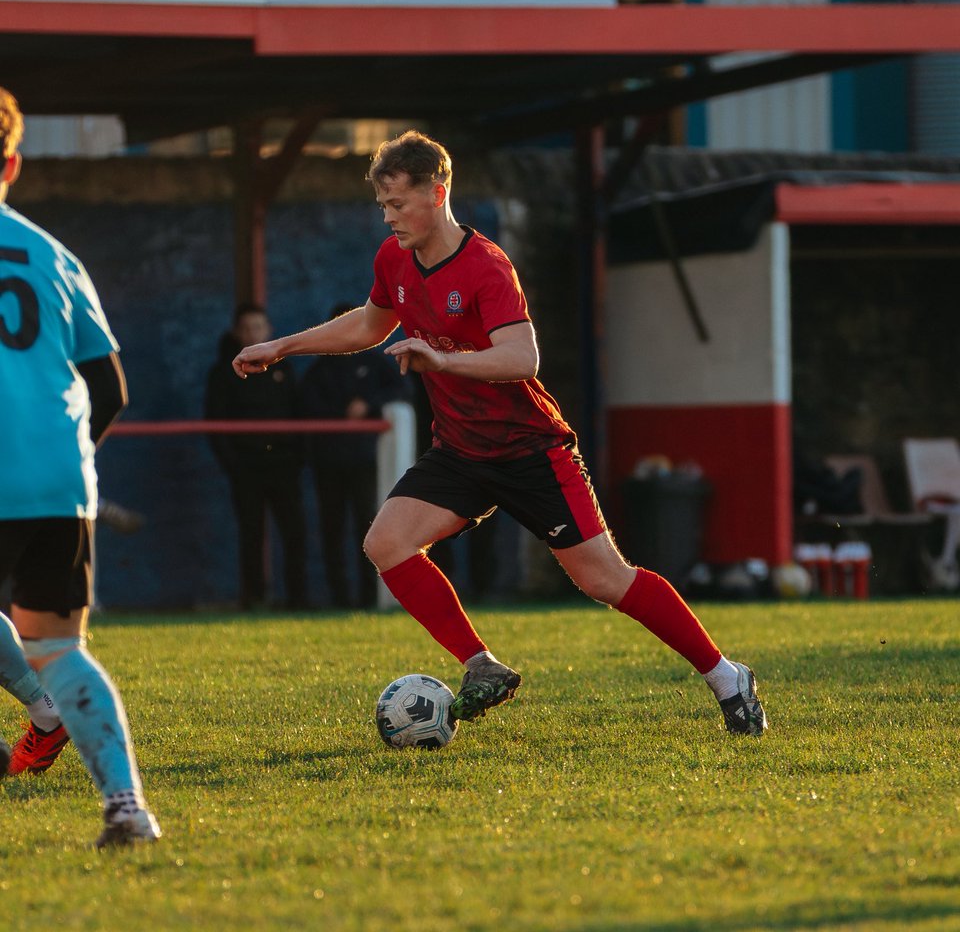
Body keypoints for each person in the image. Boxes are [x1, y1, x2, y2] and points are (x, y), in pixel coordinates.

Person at [232, 130, 768, 735]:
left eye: (399, 204)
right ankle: (480, 664)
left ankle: (727, 676)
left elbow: (522, 358)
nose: (389, 218)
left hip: (532, 451)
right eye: (382, 206)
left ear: (437, 194)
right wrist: (284, 346)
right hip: (461, 451)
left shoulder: (487, 266)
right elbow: (369, 324)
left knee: (604, 580)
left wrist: (445, 361)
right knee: (386, 543)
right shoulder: (394, 259)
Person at [0, 86, 161, 845]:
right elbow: (111, 387)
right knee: (61, 647)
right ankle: (127, 806)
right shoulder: (55, 255)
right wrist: (58, 462)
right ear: (12, 162)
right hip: (55, 481)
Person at [300, 302, 411, 609]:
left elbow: (402, 389)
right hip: (329, 463)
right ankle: (339, 600)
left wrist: (368, 403)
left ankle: (369, 599)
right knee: (332, 530)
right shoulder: (319, 369)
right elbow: (307, 407)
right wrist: (341, 416)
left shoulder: (376, 362)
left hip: (365, 462)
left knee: (369, 531)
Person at [205, 304, 309, 610]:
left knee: (294, 531)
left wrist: (297, 456)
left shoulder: (285, 368)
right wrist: (233, 465)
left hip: (283, 464)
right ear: (238, 333)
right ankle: (253, 598)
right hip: (246, 466)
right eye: (248, 328)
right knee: (251, 533)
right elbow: (215, 421)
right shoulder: (224, 372)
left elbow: (299, 413)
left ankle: (298, 600)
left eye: (259, 327)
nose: (254, 333)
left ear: (269, 330)